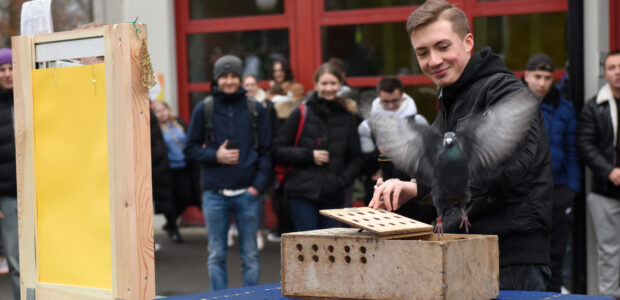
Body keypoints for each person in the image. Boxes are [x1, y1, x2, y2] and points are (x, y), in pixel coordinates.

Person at [369, 0, 553, 291]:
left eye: (443, 47)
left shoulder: (505, 91)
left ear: (468, 42)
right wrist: (400, 198)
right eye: (423, 52)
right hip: (462, 252)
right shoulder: (450, 101)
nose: (433, 60)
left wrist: (421, 187)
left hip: (510, 261)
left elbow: (501, 168)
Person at [184, 55, 271, 290]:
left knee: (250, 256)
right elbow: (190, 148)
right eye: (224, 77)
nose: (229, 81)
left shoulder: (255, 109)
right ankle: (218, 298)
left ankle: (251, 297)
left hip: (248, 194)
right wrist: (216, 156)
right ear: (216, 79)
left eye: (234, 76)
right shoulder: (205, 109)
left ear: (241, 79)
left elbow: (266, 151)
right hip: (215, 193)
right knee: (216, 255)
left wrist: (257, 187)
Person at [272, 63, 362, 231]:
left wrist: (340, 181)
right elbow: (277, 150)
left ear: (340, 85)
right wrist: (309, 155)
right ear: (316, 85)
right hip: (301, 193)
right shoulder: (301, 112)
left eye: (333, 83)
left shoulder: (348, 118)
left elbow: (356, 159)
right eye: (324, 83)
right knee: (307, 249)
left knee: (330, 252)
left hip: (333, 195)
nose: (328, 88)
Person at [522, 53, 581, 293]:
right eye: (537, 76)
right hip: (524, 192)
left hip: (558, 190)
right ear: (526, 77)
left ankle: (554, 295)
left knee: (556, 253)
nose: (542, 83)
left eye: (547, 77)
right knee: (527, 253)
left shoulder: (564, 109)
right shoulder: (510, 103)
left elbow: (573, 151)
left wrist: (572, 191)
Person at [357, 77, 435, 223]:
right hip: (380, 192)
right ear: (378, 97)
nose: (391, 106)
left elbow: (430, 159)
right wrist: (379, 152)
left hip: (413, 192)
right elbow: (364, 165)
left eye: (395, 101)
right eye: (386, 102)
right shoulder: (367, 126)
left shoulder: (418, 121)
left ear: (403, 96)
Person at [577, 50, 620, 298]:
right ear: (605, 73)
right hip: (605, 193)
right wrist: (609, 171)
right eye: (612, 67)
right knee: (609, 252)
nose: (617, 71)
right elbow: (585, 145)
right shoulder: (594, 107)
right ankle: (609, 297)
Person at [152, 101, 201, 243]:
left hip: (184, 167)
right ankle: (173, 227)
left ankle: (170, 224)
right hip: (167, 171)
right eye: (158, 111)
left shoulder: (179, 124)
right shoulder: (155, 130)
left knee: (186, 197)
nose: (162, 113)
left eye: (164, 110)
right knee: (169, 201)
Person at [0, 48, 20, 300]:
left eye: (11, 68)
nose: (7, 74)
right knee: (16, 261)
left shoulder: (35, 95)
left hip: (40, 191)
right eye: (2, 69)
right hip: (8, 194)